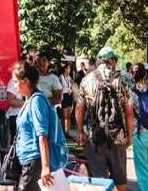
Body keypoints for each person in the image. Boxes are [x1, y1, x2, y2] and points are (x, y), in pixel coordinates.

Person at [75, 47, 134, 191]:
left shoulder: (86, 80)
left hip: (94, 136)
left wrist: (80, 131)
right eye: (115, 60)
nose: (116, 63)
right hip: (118, 137)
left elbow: (79, 108)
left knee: (98, 182)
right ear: (110, 61)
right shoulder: (121, 81)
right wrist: (129, 136)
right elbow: (129, 113)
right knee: (120, 179)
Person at [12, 59, 68, 191]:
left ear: (25, 80)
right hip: (27, 161)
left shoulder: (37, 100)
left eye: (15, 82)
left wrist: (45, 167)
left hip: (34, 161)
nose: (14, 87)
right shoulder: (29, 100)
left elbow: (42, 135)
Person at [130, 63, 148, 191]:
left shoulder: (132, 93)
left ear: (132, 75)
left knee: (142, 171)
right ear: (145, 75)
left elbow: (130, 115)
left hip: (140, 134)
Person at [58, 61, 74, 137]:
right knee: (64, 116)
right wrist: (60, 98)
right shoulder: (60, 77)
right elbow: (59, 88)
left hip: (69, 95)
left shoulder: (69, 77)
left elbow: (72, 85)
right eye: (69, 68)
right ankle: (60, 131)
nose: (70, 69)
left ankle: (67, 132)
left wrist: (71, 87)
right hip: (64, 96)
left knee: (69, 115)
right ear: (65, 69)